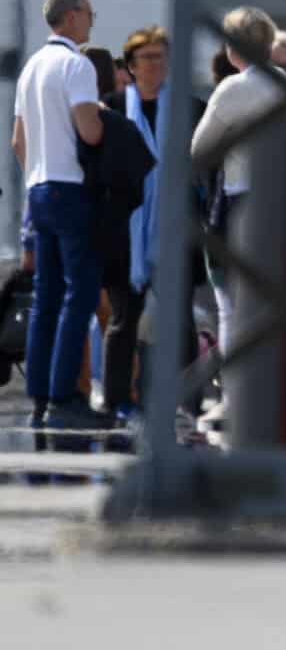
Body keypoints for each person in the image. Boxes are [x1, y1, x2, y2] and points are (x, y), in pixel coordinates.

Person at [10, 0, 109, 429]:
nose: (92, 20)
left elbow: (18, 141)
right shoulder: (77, 64)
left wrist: (38, 169)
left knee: (46, 297)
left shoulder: (31, 67)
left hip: (38, 188)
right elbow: (90, 132)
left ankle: (39, 398)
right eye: (89, 13)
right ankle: (65, 396)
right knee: (82, 293)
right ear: (71, 17)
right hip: (71, 189)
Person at [190, 7, 286, 364]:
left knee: (230, 308)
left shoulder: (232, 89)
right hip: (282, 201)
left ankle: (236, 395)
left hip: (239, 202)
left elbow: (199, 148)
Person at [77, 47, 155, 422]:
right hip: (117, 232)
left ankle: (72, 394)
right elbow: (139, 183)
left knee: (76, 311)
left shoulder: (63, 121)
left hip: (74, 222)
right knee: (123, 316)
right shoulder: (120, 123)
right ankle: (119, 396)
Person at [114, 27, 176, 415]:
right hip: (126, 228)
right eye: (147, 58)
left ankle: (166, 396)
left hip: (172, 227)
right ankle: (120, 398)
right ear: (132, 66)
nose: (155, 65)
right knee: (124, 319)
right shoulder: (112, 106)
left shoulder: (186, 107)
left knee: (173, 319)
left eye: (160, 57)